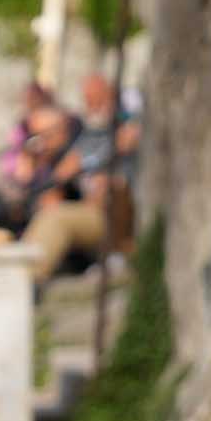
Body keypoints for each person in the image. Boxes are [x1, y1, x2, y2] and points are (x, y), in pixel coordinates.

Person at [21, 72, 142, 284]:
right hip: (91, 207)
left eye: (97, 98)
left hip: (117, 211)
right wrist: (53, 185)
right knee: (49, 210)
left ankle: (30, 279)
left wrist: (90, 169)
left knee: (56, 218)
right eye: (88, 99)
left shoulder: (126, 121)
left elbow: (127, 141)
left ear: (110, 94)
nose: (92, 105)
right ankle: (20, 272)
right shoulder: (90, 132)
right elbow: (64, 170)